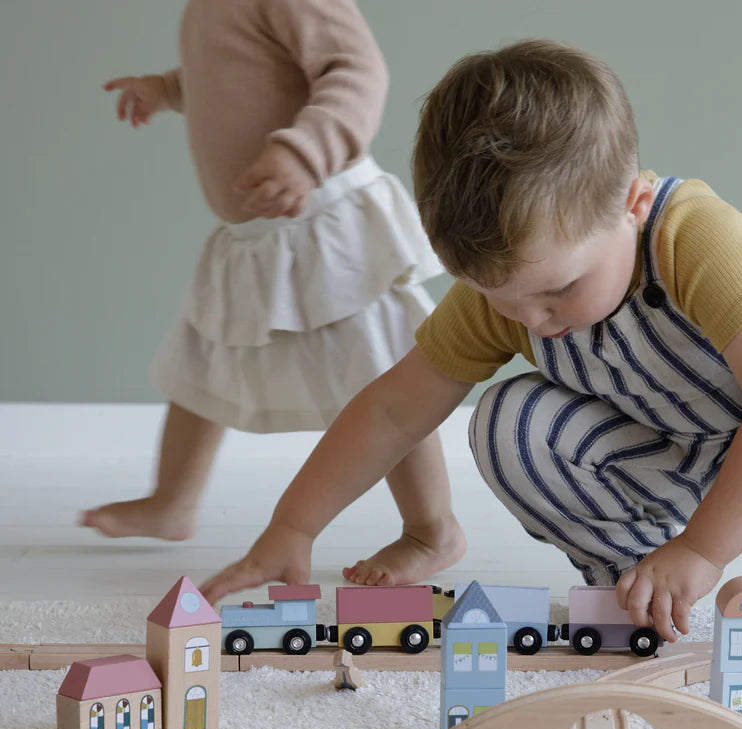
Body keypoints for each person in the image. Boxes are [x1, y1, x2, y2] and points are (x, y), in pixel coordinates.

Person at [201, 39, 742, 704]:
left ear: (633, 206)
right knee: (507, 420)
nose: (535, 320)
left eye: (558, 291)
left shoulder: (691, 237)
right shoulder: (510, 297)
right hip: (657, 458)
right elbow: (393, 411)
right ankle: (637, 589)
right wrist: (292, 527)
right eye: (503, 300)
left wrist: (703, 551)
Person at [80, 0, 466, 587]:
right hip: (256, 237)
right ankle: (172, 502)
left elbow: (357, 70)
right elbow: (235, 80)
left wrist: (302, 151)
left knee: (382, 379)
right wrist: (166, 89)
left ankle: (431, 528)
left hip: (322, 221)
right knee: (202, 361)